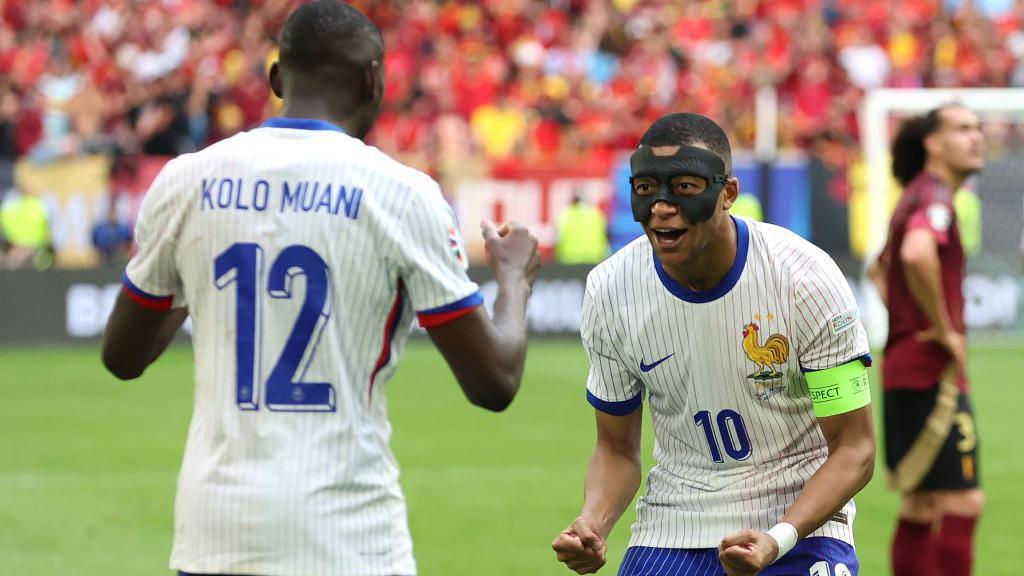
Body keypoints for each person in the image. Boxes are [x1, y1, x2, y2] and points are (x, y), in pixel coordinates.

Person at [101, 2, 540, 576]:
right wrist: (512, 280)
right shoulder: (402, 194)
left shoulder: (186, 180)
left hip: (215, 537)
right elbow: (495, 381)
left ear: (277, 79)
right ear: (372, 80)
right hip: (348, 540)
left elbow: (122, 356)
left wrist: (197, 282)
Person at [551, 113, 876, 576]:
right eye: (645, 188)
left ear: (727, 194)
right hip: (673, 526)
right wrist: (593, 523)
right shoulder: (611, 290)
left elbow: (854, 447)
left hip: (799, 525)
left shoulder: (804, 279)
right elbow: (617, 449)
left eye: (683, 187)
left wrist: (776, 538)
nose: (662, 206)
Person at [870, 104, 984, 576]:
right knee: (964, 501)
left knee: (921, 505)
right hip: (930, 371)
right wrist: (940, 326)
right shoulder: (934, 196)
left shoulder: (914, 195)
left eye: (977, 128)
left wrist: (905, 319)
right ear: (932, 144)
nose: (976, 136)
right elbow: (917, 255)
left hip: (905, 366)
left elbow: (880, 269)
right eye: (963, 128)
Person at [556, 193, 611, 264]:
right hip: (594, 259)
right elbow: (605, 236)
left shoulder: (565, 215)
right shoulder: (596, 214)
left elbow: (559, 238)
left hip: (570, 260)